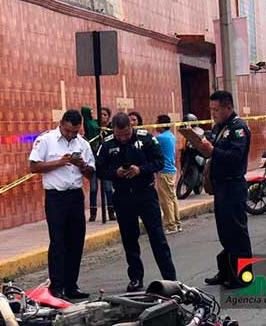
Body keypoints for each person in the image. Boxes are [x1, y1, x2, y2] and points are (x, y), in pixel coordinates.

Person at [96, 112, 176, 292]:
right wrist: (115, 173)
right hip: (123, 197)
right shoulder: (107, 144)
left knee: (158, 238)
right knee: (129, 240)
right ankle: (135, 278)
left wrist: (140, 170)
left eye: (126, 134)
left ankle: (170, 277)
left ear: (131, 127)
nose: (123, 138)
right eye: (119, 135)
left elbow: (159, 162)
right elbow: (99, 170)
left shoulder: (145, 139)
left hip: (146, 194)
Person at [182, 90, 252, 288]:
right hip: (220, 186)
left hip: (233, 184)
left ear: (228, 107)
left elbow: (234, 157)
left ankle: (242, 277)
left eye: (217, 109)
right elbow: (212, 150)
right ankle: (226, 272)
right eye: (211, 109)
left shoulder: (238, 128)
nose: (213, 113)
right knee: (225, 231)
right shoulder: (219, 127)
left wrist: (213, 151)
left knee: (237, 231)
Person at [29, 109, 95, 300]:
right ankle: (57, 287)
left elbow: (91, 174)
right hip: (56, 197)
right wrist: (59, 162)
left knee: (76, 241)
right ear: (61, 124)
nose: (71, 135)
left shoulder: (82, 143)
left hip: (75, 196)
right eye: (67, 131)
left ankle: (71, 285)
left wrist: (81, 165)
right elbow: (33, 167)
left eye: (74, 132)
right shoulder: (46, 140)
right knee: (58, 242)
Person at [154, 115, 182, 234]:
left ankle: (171, 226)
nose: (155, 125)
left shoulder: (160, 138)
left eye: (157, 123)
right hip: (171, 170)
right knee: (172, 198)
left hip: (164, 171)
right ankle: (177, 223)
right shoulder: (171, 136)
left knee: (165, 200)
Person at [81, 106, 102, 223]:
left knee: (107, 186)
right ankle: (93, 212)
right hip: (92, 154)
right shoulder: (87, 123)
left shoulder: (94, 122)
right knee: (93, 187)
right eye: (91, 112)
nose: (92, 113)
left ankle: (110, 210)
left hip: (99, 153)